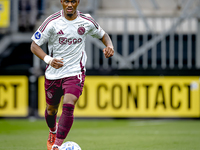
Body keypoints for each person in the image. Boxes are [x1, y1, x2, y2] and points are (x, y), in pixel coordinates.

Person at [30, 0, 114, 150]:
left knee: (69, 104)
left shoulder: (86, 21)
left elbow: (103, 34)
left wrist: (109, 45)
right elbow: (34, 45)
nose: (70, 4)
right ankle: (52, 131)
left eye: (73, 1)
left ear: (78, 2)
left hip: (75, 72)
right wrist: (49, 60)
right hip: (53, 74)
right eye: (66, 1)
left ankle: (57, 146)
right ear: (61, 2)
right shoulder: (52, 21)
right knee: (51, 110)